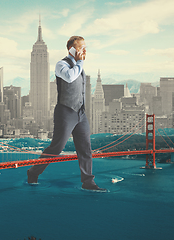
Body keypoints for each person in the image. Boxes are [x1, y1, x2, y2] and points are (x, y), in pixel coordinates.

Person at [27, 36, 106, 191]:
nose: (84, 50)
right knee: (56, 148)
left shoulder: (78, 66)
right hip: (66, 112)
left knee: (85, 148)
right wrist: (80, 62)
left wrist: (79, 62)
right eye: (81, 47)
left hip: (80, 113)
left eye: (85, 47)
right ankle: (33, 172)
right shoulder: (61, 65)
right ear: (71, 49)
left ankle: (88, 182)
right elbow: (69, 77)